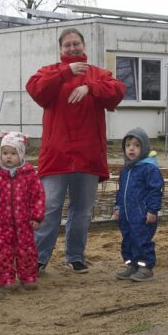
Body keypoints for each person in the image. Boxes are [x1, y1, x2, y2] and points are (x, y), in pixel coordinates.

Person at [27, 28, 125, 273]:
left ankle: (75, 256)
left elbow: (118, 91)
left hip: (88, 156)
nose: (72, 48)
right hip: (56, 155)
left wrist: (91, 87)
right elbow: (36, 90)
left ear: (83, 45)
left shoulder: (98, 74)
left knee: (82, 212)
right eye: (67, 45)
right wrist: (65, 73)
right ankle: (38, 258)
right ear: (61, 49)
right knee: (49, 209)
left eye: (76, 44)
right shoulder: (49, 71)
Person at [0, 132, 45, 289]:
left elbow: (38, 197)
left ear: (21, 155)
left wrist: (36, 217)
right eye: (5, 153)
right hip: (2, 225)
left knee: (26, 251)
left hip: (25, 223)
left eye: (13, 153)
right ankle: (6, 280)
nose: (8, 157)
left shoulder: (30, 176)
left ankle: (28, 277)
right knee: (3, 253)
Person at [112, 128, 163, 282]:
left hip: (142, 214)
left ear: (144, 148)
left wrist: (152, 210)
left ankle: (146, 268)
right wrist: (118, 207)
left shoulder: (149, 168)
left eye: (136, 145)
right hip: (126, 214)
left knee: (141, 240)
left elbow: (155, 190)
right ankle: (132, 265)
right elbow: (121, 191)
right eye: (128, 145)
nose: (131, 148)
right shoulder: (126, 169)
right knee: (127, 240)